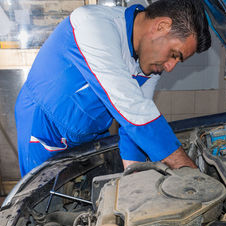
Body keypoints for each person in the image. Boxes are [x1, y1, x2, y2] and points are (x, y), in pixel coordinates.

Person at [14, 0, 211, 177]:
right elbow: (135, 113)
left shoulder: (150, 63)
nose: (170, 67)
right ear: (162, 26)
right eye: (174, 54)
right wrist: (190, 174)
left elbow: (133, 121)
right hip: (46, 128)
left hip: (91, 131)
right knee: (44, 207)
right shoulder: (93, 25)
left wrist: (134, 179)